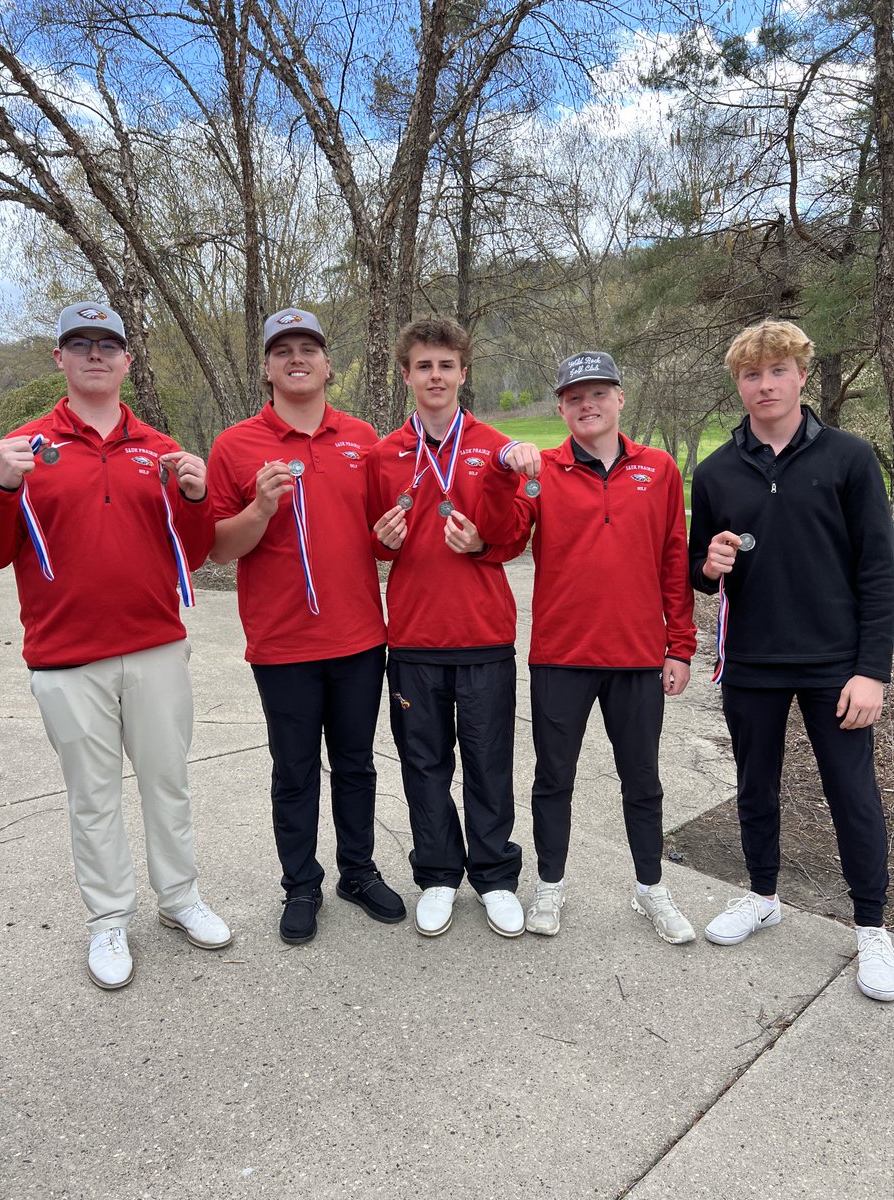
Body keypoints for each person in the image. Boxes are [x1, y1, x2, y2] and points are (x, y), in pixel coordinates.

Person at [0, 302, 231, 990]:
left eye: (108, 344)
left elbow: (192, 554)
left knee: (168, 783)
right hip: (66, 658)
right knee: (92, 797)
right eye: (80, 343)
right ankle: (107, 920)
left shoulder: (159, 447)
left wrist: (195, 499)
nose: (94, 354)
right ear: (59, 358)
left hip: (155, 647)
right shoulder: (22, 448)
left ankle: (179, 898)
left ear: (127, 360)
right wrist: (2, 486)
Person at [689, 319, 894, 1002]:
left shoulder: (850, 458)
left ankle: (872, 927)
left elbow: (879, 571)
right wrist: (708, 564)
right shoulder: (716, 471)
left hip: (836, 664)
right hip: (752, 661)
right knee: (754, 786)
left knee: (852, 794)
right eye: (752, 374)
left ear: (802, 376)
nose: (765, 384)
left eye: (778, 370)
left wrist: (873, 669)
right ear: (738, 384)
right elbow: (696, 570)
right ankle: (762, 895)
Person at [475, 350, 697, 941]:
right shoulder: (543, 470)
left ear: (620, 399)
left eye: (598, 393)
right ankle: (550, 884)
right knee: (553, 779)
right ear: (561, 409)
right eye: (574, 397)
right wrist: (502, 475)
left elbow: (674, 558)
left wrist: (680, 645)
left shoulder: (658, 469)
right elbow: (502, 538)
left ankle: (651, 889)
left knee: (642, 780)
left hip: (637, 655)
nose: (587, 405)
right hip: (561, 655)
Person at [207, 307, 404, 946]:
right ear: (267, 368)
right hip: (282, 642)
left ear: (326, 363)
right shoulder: (236, 445)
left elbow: (376, 537)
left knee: (356, 765)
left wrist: (391, 538)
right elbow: (219, 548)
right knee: (294, 770)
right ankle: (300, 884)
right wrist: (261, 508)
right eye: (283, 350)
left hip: (358, 637)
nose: (297, 359)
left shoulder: (362, 438)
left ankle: (358, 872)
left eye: (308, 348)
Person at [367, 317, 538, 938]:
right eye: (423, 366)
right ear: (406, 375)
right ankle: (438, 873)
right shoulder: (384, 454)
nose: (435, 376)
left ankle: (494, 876)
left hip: (483, 635)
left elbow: (515, 535)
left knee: (490, 761)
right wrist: (381, 542)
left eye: (446, 365)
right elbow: (371, 540)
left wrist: (483, 542)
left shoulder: (496, 447)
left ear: (463, 372)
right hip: (414, 638)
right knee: (424, 763)